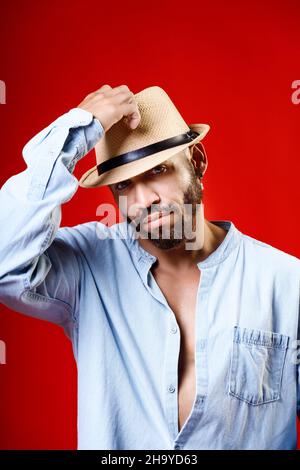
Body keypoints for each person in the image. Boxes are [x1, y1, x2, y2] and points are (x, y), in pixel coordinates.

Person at [0, 84, 299, 450]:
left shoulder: (286, 283)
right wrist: (78, 131)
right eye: (124, 185)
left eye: (158, 170)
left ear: (197, 160)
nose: (144, 201)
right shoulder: (88, 266)